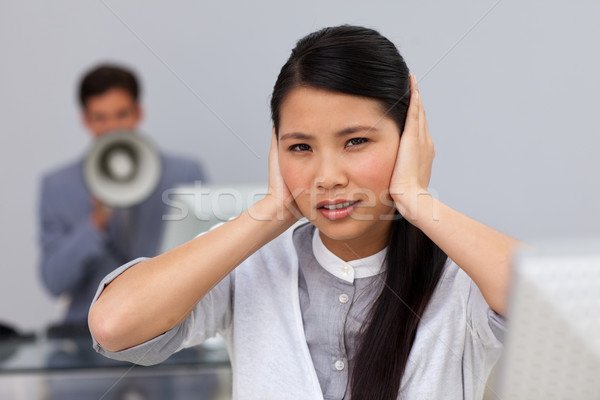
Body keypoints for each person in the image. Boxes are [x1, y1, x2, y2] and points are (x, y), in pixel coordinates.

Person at [88, 26, 521, 399]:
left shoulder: (461, 274)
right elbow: (113, 325)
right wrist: (274, 209)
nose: (327, 176)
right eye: (300, 147)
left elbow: (566, 310)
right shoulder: (251, 263)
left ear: (409, 139)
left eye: (356, 141)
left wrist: (414, 196)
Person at [39, 64, 207, 329]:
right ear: (85, 119)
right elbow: (54, 282)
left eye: (121, 115)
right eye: (100, 118)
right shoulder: (58, 186)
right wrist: (95, 222)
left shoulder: (184, 173)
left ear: (139, 113)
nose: (113, 128)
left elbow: (205, 262)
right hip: (89, 334)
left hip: (167, 329)